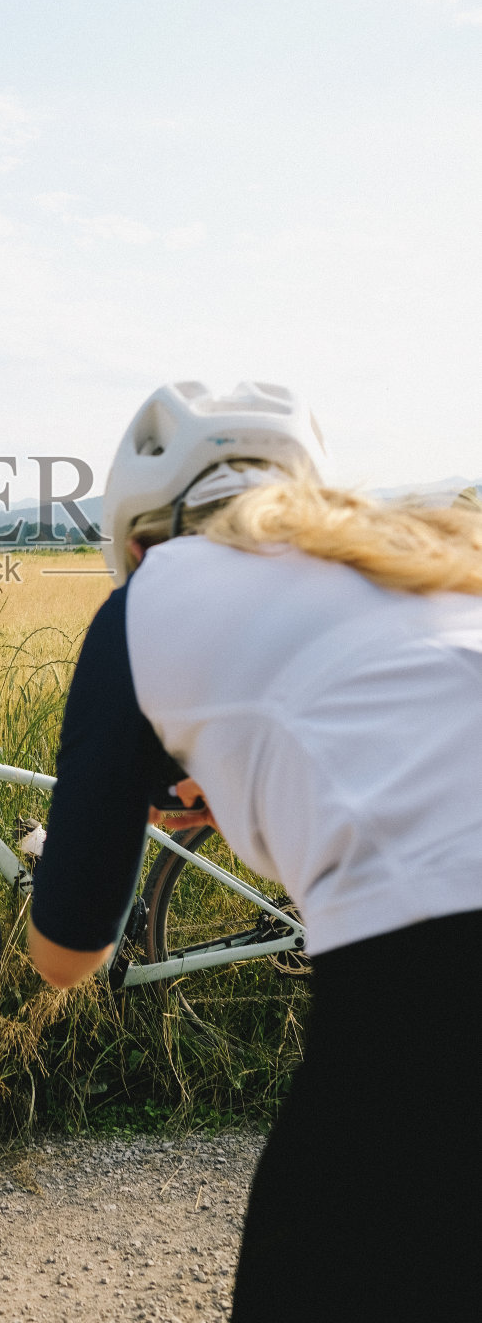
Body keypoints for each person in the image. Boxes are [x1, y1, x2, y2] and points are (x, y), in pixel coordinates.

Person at [28, 379, 482, 1321]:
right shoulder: (421, 559)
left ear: (142, 534)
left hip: (432, 984)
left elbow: (69, 955)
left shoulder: (148, 600)